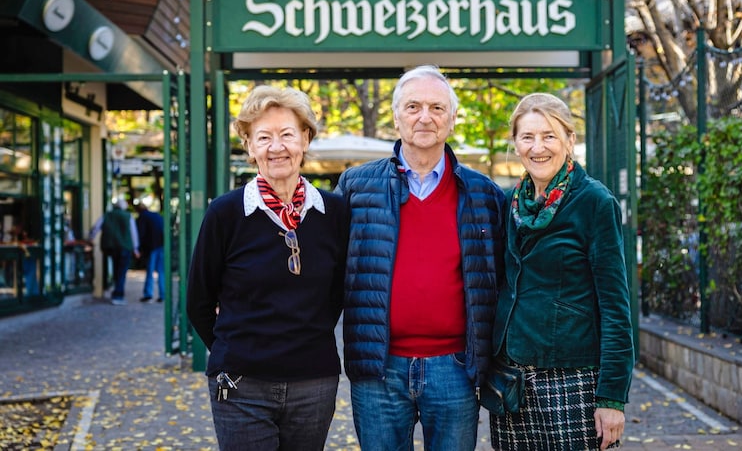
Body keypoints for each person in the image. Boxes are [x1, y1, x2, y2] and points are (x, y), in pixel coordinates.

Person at [335, 64, 505, 451]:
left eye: (437, 107)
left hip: (456, 369)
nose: (425, 117)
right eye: (413, 107)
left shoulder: (484, 194)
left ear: (452, 118)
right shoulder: (355, 187)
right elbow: (325, 269)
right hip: (378, 368)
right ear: (396, 117)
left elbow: (502, 279)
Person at [186, 85, 349, 450]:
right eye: (263, 137)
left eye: (287, 134)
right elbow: (198, 301)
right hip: (242, 383)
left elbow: (339, 292)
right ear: (249, 147)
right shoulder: (225, 213)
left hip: (314, 381)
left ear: (305, 139)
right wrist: (234, 351)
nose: (277, 147)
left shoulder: (334, 213)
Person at [489, 93, 635, 451]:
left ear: (570, 140)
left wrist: (612, 398)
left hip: (573, 382)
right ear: (516, 144)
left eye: (549, 136)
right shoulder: (507, 202)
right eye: (528, 137)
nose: (538, 147)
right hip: (512, 380)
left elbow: (616, 308)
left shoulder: (594, 202)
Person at [89, 198, 140, 305]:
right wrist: (136, 248)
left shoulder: (107, 215)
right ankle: (118, 295)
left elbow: (96, 227)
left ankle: (117, 292)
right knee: (121, 271)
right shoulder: (127, 216)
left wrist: (91, 238)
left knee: (117, 270)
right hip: (125, 247)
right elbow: (133, 232)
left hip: (111, 247)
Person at [135, 202, 165, 303]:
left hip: (151, 247)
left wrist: (139, 249)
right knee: (161, 271)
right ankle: (163, 294)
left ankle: (148, 294)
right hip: (161, 245)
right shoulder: (156, 215)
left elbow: (141, 234)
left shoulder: (142, 218)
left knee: (150, 271)